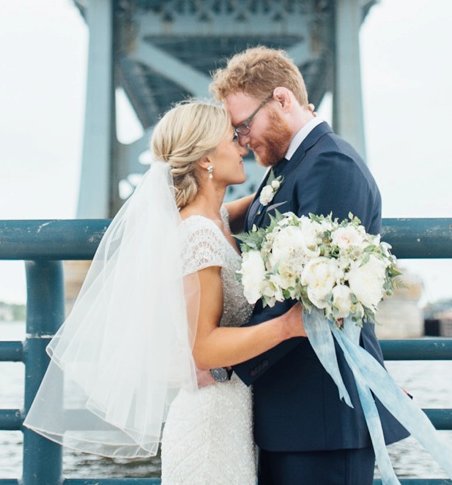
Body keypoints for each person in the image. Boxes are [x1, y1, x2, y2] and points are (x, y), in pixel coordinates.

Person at [24, 100, 307, 485]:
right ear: (206, 158)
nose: (243, 146)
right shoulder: (199, 234)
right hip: (210, 427)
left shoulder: (215, 219)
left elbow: (264, 204)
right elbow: (202, 349)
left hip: (227, 416)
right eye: (232, 139)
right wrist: (290, 325)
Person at [211, 46, 408, 485]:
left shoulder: (330, 164)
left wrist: (223, 362)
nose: (242, 140)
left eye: (245, 125)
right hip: (294, 410)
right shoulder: (288, 165)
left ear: (282, 100)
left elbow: (317, 299)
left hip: (324, 414)